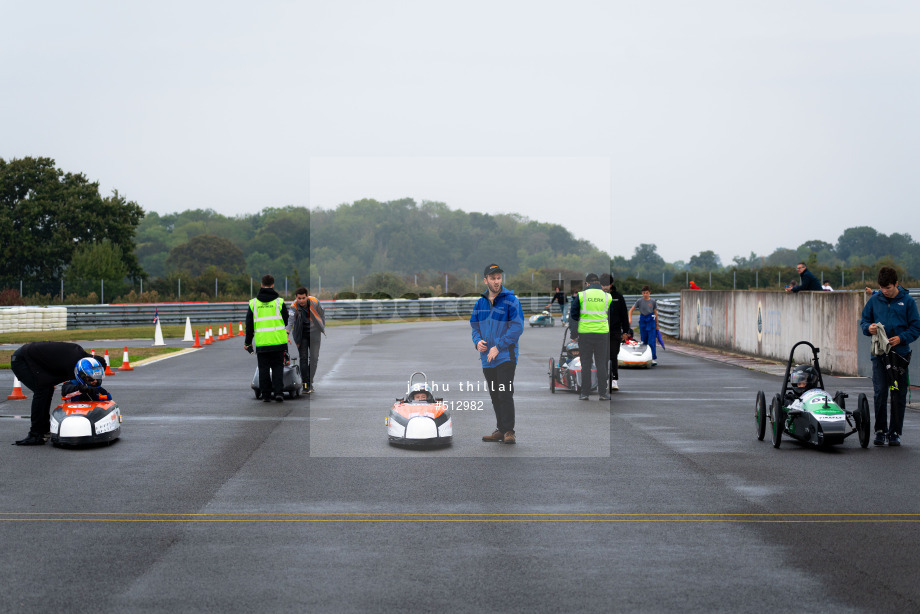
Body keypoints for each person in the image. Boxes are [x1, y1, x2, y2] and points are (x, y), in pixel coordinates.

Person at [860, 266, 920, 446]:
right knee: (880, 392)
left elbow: (916, 328)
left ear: (896, 284)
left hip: (899, 355)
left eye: (888, 288)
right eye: (882, 288)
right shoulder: (874, 299)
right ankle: (880, 430)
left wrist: (901, 338)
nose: (884, 291)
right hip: (879, 354)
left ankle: (895, 432)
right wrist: (868, 328)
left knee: (898, 394)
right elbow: (864, 321)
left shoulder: (908, 302)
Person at [9, 342, 106, 446]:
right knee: (42, 391)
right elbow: (72, 389)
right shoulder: (73, 362)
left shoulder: (79, 356)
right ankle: (35, 434)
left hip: (36, 361)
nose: (94, 381)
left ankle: (44, 430)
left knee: (47, 389)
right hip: (22, 360)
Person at [471, 263, 524, 444]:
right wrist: (477, 341)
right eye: (492, 278)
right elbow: (474, 326)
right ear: (485, 280)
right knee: (495, 394)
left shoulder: (511, 300)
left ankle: (509, 431)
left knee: (504, 393)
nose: (496, 281)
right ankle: (500, 429)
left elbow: (517, 327)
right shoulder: (480, 303)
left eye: (499, 278)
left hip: (505, 356)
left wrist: (498, 346)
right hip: (487, 359)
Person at [244, 274, 290, 403]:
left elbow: (249, 326)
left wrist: (248, 343)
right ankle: (279, 393)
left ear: (261, 285)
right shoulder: (279, 302)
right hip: (278, 341)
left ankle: (266, 395)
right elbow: (286, 321)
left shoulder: (253, 303)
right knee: (277, 368)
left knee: (263, 369)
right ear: (273, 284)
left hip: (262, 342)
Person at [568, 273, 612, 401]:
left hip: (585, 334)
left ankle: (585, 393)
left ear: (587, 283)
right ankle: (603, 393)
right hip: (602, 334)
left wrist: (574, 335)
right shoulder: (607, 296)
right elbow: (609, 315)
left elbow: (574, 316)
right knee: (601, 364)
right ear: (598, 283)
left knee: (586, 364)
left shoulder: (581, 295)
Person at [287, 286, 325, 394]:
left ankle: (310, 381)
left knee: (314, 358)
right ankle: (305, 384)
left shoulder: (314, 301)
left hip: (315, 333)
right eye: (299, 298)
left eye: (303, 298)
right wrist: (287, 334)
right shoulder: (293, 306)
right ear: (296, 298)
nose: (301, 301)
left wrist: (322, 326)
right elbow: (290, 321)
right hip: (301, 333)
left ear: (307, 296)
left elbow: (322, 314)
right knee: (303, 358)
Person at [600, 273, 627, 392]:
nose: (605, 287)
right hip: (599, 331)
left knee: (613, 355)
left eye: (607, 284)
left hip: (615, 331)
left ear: (611, 284)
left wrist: (626, 331)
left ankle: (614, 379)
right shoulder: (597, 297)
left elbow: (624, 315)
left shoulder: (618, 297)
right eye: (602, 285)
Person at [628, 286, 660, 366]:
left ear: (649, 293)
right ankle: (644, 357)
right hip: (643, 320)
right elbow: (631, 310)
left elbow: (655, 312)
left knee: (651, 340)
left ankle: (653, 358)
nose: (645, 294)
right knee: (644, 340)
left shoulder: (652, 301)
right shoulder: (639, 301)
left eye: (647, 293)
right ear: (642, 293)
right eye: (644, 293)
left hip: (651, 320)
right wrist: (630, 319)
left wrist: (657, 324)